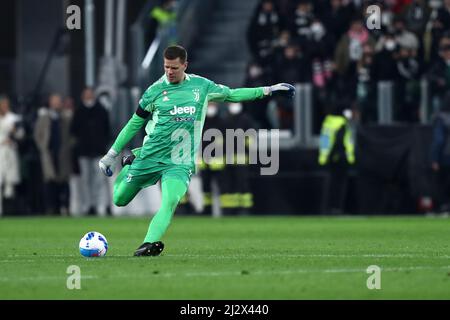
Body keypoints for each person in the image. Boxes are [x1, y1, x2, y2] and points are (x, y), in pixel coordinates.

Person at [98, 45, 295, 256]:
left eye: (174, 67)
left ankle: (148, 243)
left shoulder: (201, 87)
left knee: (171, 201)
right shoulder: (154, 92)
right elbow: (134, 124)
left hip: (179, 161)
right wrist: (112, 155)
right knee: (119, 199)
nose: (169, 72)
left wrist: (268, 90)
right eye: (166, 67)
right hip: (150, 156)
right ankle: (131, 163)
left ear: (185, 65)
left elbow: (232, 94)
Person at [71, 88, 111, 216]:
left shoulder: (101, 111)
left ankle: (105, 205)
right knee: (85, 181)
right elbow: (73, 130)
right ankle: (89, 206)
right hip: (84, 152)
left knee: (100, 180)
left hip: (99, 151)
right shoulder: (78, 111)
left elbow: (107, 130)